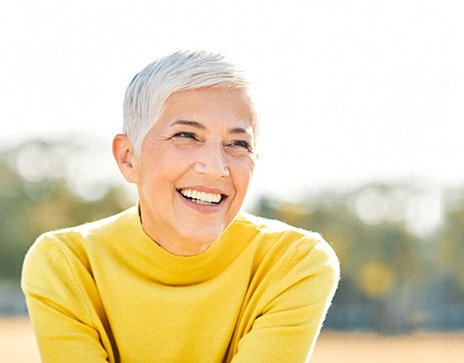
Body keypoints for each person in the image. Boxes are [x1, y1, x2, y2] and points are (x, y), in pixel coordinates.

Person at [21, 50, 340, 362]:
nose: (216, 167)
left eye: (238, 143)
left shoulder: (293, 262)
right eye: (186, 135)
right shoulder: (67, 264)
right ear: (128, 158)